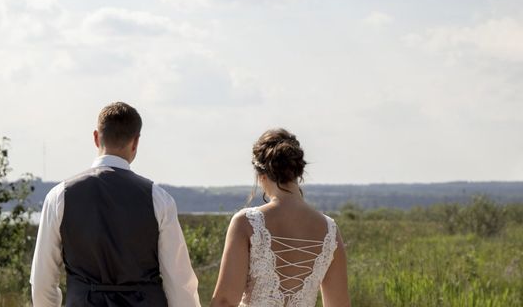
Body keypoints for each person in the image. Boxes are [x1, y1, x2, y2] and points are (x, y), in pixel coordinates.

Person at [30, 101, 201, 307]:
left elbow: (42, 281)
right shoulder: (158, 198)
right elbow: (179, 282)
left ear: (96, 137)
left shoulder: (59, 196)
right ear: (135, 142)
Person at [210, 129, 350, 307]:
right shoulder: (329, 230)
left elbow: (225, 301)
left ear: (261, 176)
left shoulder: (246, 222)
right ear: (298, 173)